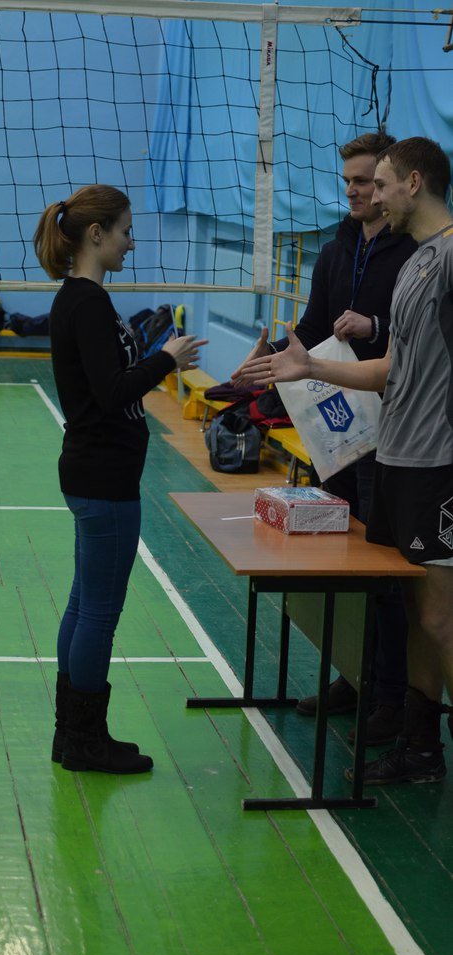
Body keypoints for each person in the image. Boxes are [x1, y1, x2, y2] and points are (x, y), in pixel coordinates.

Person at [233, 136, 453, 786]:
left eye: (379, 183)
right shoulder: (416, 262)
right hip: (395, 458)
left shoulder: (447, 258)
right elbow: (391, 369)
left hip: (439, 464)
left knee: (440, 618)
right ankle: (420, 747)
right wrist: (306, 366)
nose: (370, 195)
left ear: (413, 182)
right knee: (418, 615)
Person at [33, 184, 207, 774]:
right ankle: (84, 740)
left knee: (85, 604)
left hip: (97, 471)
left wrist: (156, 359)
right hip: (103, 476)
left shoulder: (84, 299)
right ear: (96, 234)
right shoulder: (85, 303)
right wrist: (166, 359)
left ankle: (72, 735)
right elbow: (111, 393)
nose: (131, 243)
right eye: (126, 232)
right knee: (98, 612)